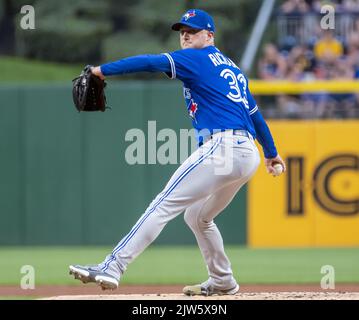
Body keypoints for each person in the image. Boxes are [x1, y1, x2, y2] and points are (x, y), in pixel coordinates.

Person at [69, 9, 286, 296]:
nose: (185, 34)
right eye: (182, 30)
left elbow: (149, 61)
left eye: (192, 30)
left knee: (162, 205)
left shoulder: (195, 58)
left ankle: (112, 266)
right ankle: (223, 280)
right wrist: (271, 152)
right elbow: (254, 114)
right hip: (247, 155)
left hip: (223, 147)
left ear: (209, 36)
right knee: (197, 216)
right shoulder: (232, 67)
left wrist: (101, 70)